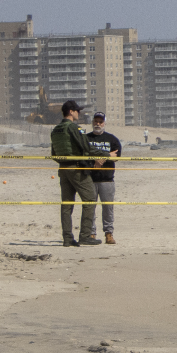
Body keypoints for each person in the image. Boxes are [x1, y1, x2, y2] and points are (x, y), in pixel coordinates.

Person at [50, 100, 100, 246]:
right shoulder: (73, 128)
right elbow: (87, 147)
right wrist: (106, 154)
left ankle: (67, 238)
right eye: (77, 111)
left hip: (63, 169)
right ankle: (85, 235)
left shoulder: (56, 130)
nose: (79, 113)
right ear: (71, 112)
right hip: (76, 169)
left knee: (66, 205)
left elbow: (54, 154)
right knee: (90, 199)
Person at [85, 112, 123, 244]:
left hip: (107, 179)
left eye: (100, 122)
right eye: (96, 121)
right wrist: (99, 158)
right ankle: (91, 233)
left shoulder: (112, 139)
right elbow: (82, 154)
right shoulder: (86, 138)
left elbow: (116, 157)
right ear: (92, 122)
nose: (98, 124)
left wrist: (102, 158)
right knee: (90, 207)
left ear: (104, 123)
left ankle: (109, 233)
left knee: (108, 208)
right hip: (89, 178)